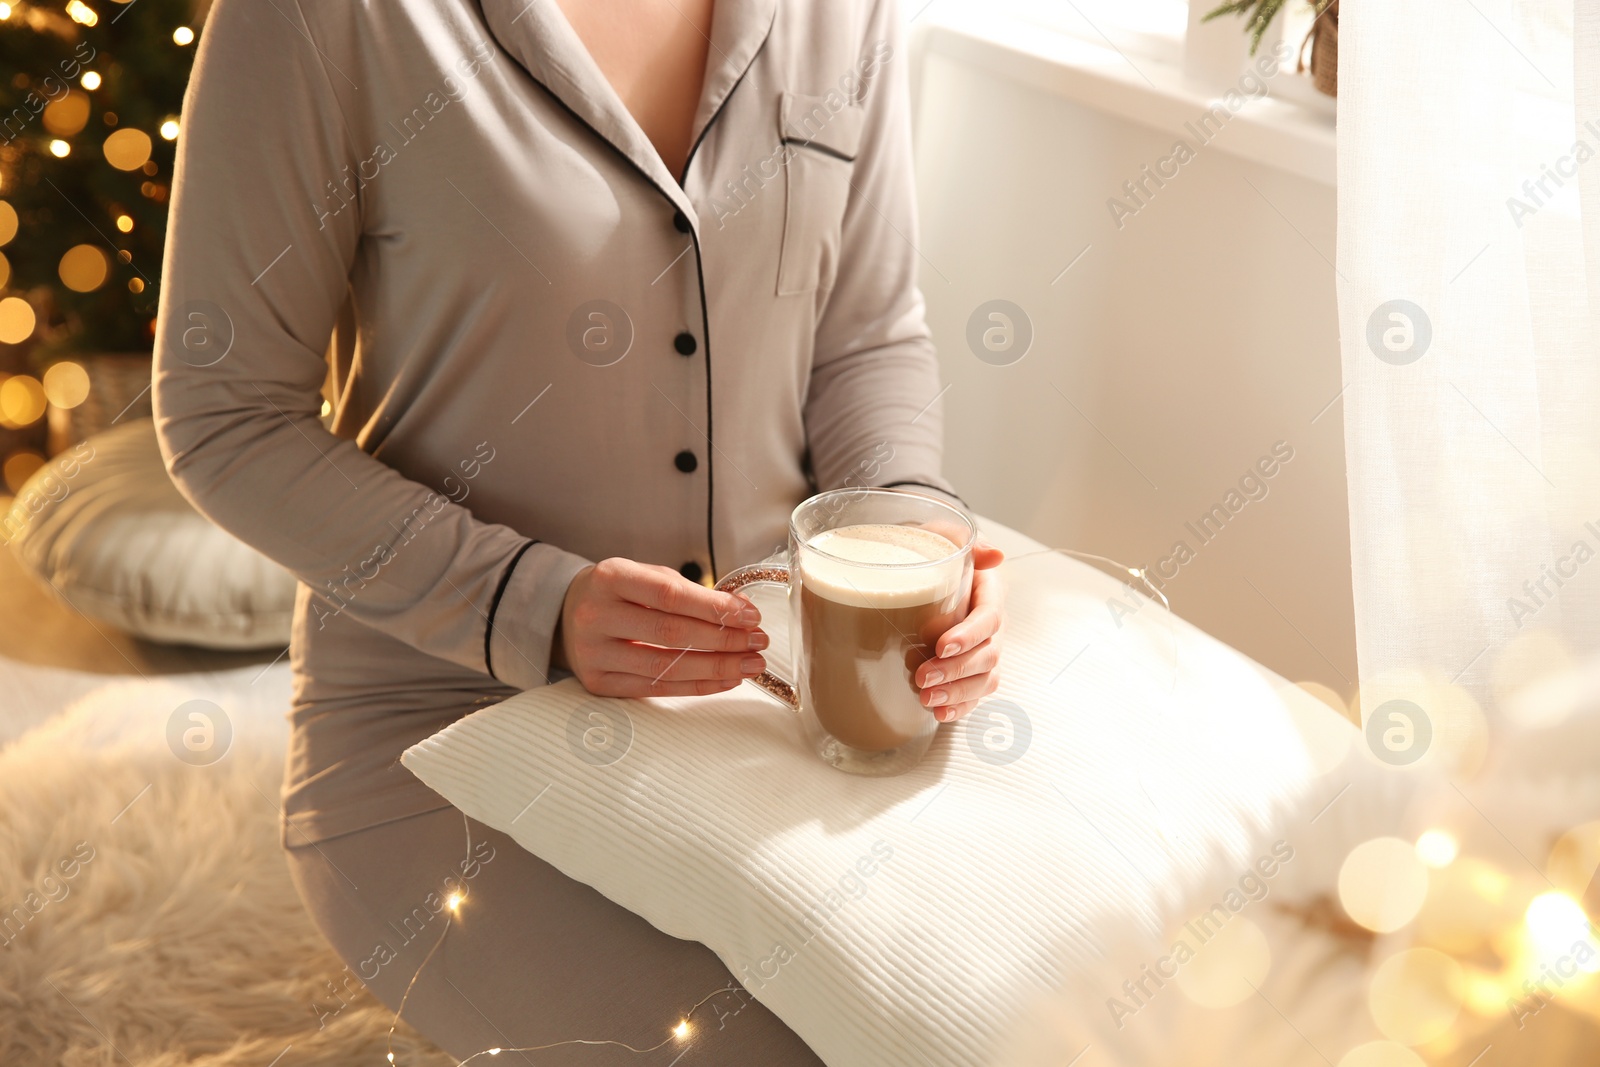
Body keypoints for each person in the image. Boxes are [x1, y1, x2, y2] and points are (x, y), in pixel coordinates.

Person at [153, 0, 1003, 1059]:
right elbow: (223, 417)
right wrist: (529, 601)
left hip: (792, 698)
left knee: (1005, 1005)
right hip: (445, 716)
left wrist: (916, 545)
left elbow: (865, 336)